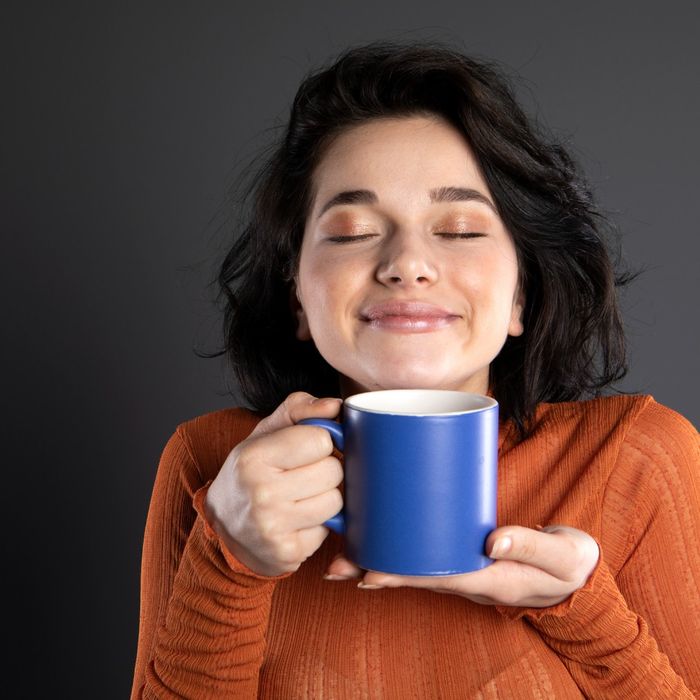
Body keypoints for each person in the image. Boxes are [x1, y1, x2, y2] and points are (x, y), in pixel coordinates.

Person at [131, 41, 700, 698]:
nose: (408, 262)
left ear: (520, 296)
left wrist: (583, 609)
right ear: (297, 297)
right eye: (351, 230)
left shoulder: (636, 458)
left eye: (458, 229)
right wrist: (227, 561)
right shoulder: (212, 464)